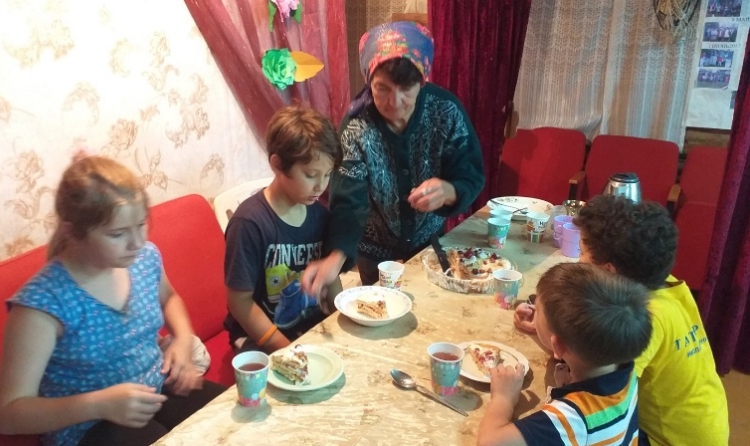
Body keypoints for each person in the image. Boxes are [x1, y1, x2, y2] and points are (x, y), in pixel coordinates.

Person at [0, 155, 224, 446]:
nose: (137, 242)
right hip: (89, 426)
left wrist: (182, 340)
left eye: (141, 224)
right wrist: (100, 404)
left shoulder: (144, 258)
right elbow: (8, 414)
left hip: (155, 388)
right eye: (117, 234)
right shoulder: (43, 305)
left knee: (235, 414)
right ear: (72, 232)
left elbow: (169, 298)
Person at [513, 195, 729, 446]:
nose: (578, 260)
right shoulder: (665, 284)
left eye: (582, 253)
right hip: (707, 425)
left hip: (669, 440)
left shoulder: (641, 316)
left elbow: (600, 389)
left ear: (608, 271)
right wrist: (544, 327)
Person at [301, 21, 485, 293]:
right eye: (382, 88)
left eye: (406, 88)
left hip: (429, 244)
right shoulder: (356, 127)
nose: (395, 102)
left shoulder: (446, 111)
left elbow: (470, 173)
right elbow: (348, 203)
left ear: (422, 81)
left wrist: (449, 191)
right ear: (368, 81)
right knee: (380, 310)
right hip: (374, 252)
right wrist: (335, 257)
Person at [478, 263, 652, 446]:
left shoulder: (572, 419)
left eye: (536, 307)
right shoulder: (622, 364)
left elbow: (489, 443)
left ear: (558, 345)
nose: (531, 308)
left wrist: (503, 398)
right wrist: (538, 331)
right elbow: (574, 353)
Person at [223, 106, 343, 354]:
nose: (321, 186)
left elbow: (329, 278)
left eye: (327, 175)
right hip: (259, 334)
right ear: (277, 165)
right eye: (311, 175)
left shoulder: (320, 214)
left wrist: (341, 318)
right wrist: (287, 350)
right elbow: (239, 302)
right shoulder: (249, 224)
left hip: (307, 326)